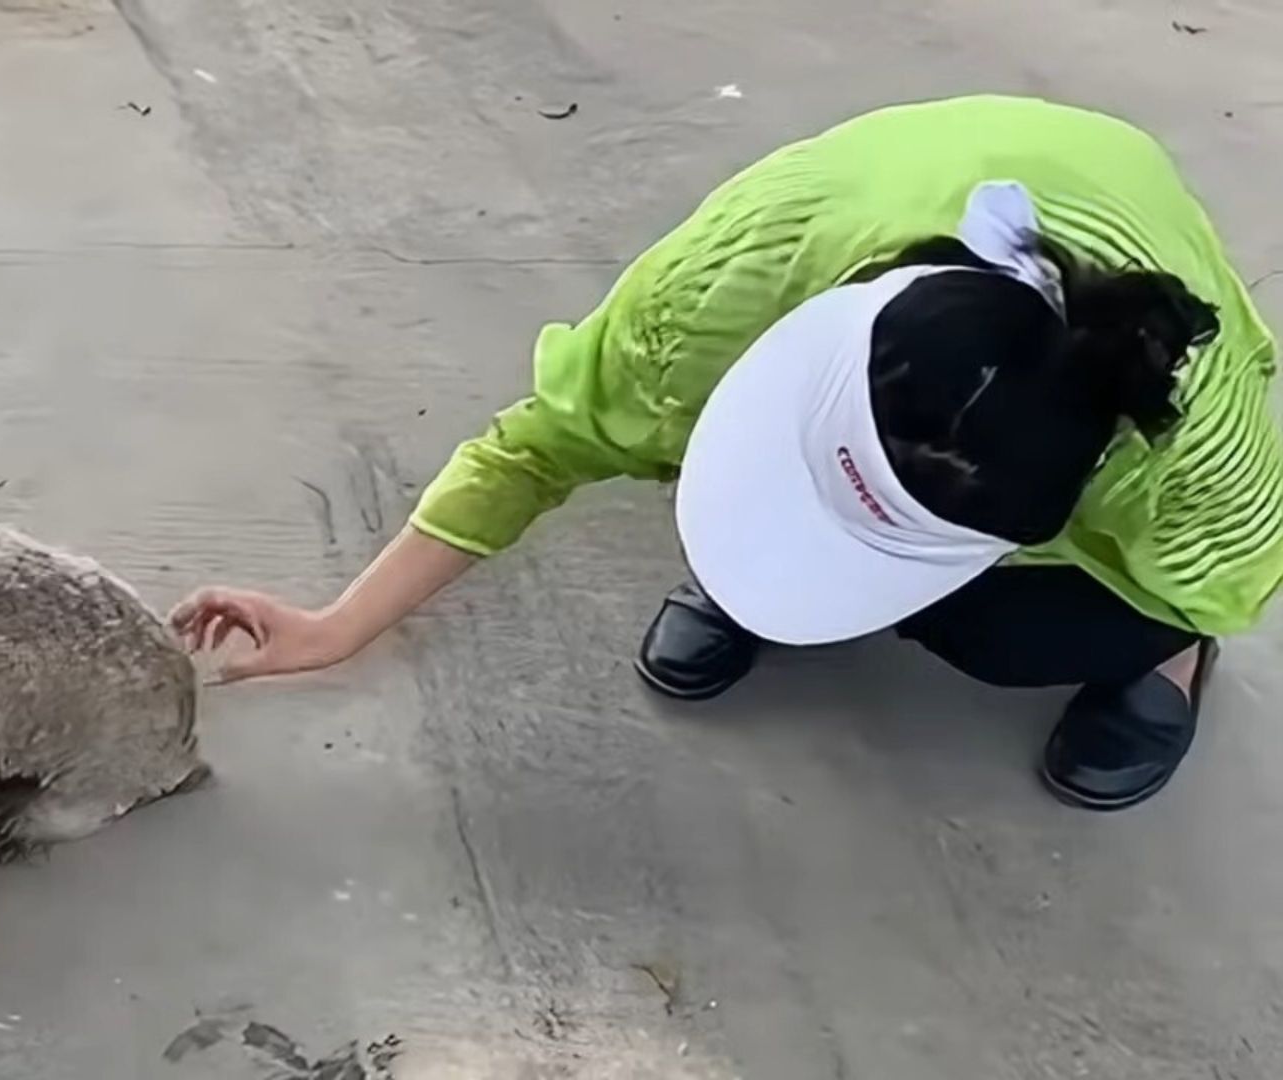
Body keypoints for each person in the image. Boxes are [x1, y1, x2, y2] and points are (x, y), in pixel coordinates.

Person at [170, 95, 1283, 812]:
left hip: (1116, 304)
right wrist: (337, 623)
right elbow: (539, 445)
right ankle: (793, 546)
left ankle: (1156, 666)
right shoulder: (726, 288)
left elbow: (1229, 578)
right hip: (922, 174)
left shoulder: (1198, 444)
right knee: (688, 441)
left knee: (1006, 633)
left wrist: (1168, 622)